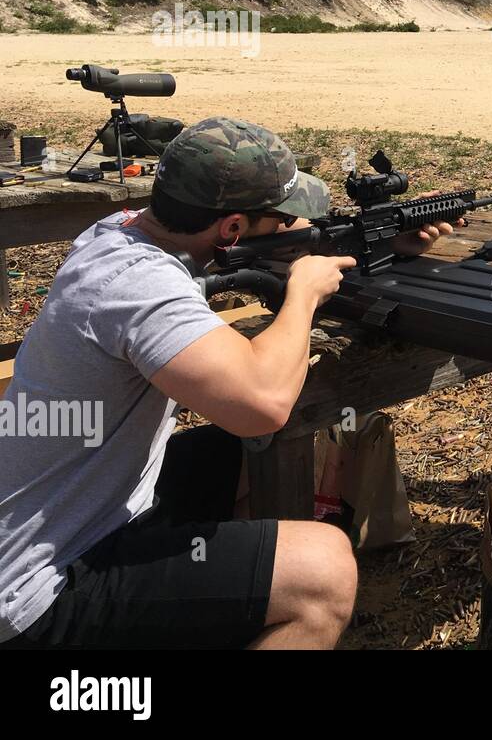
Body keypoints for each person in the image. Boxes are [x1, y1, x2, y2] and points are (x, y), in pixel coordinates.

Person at [0, 118, 452, 649]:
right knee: (325, 572)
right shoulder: (141, 287)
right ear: (232, 229)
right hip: (36, 593)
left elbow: (273, 251)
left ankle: (222, 610)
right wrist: (304, 295)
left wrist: (377, 243)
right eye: (281, 217)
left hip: (84, 504)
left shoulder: (121, 232)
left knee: (244, 455)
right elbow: (261, 405)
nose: (291, 227)